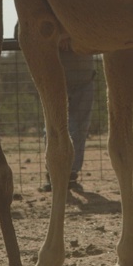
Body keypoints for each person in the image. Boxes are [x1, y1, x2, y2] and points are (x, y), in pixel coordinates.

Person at [41, 38, 96, 192]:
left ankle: (69, 174)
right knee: (55, 126)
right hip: (55, 78)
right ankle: (54, 172)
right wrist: (58, 35)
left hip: (84, 79)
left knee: (79, 128)